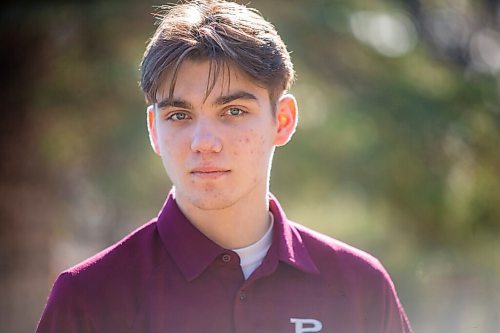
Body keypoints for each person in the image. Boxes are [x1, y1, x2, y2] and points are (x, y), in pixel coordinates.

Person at [36, 1, 413, 332]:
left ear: (281, 120)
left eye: (233, 111)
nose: (204, 142)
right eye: (180, 115)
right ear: (153, 129)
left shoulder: (361, 287)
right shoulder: (89, 297)